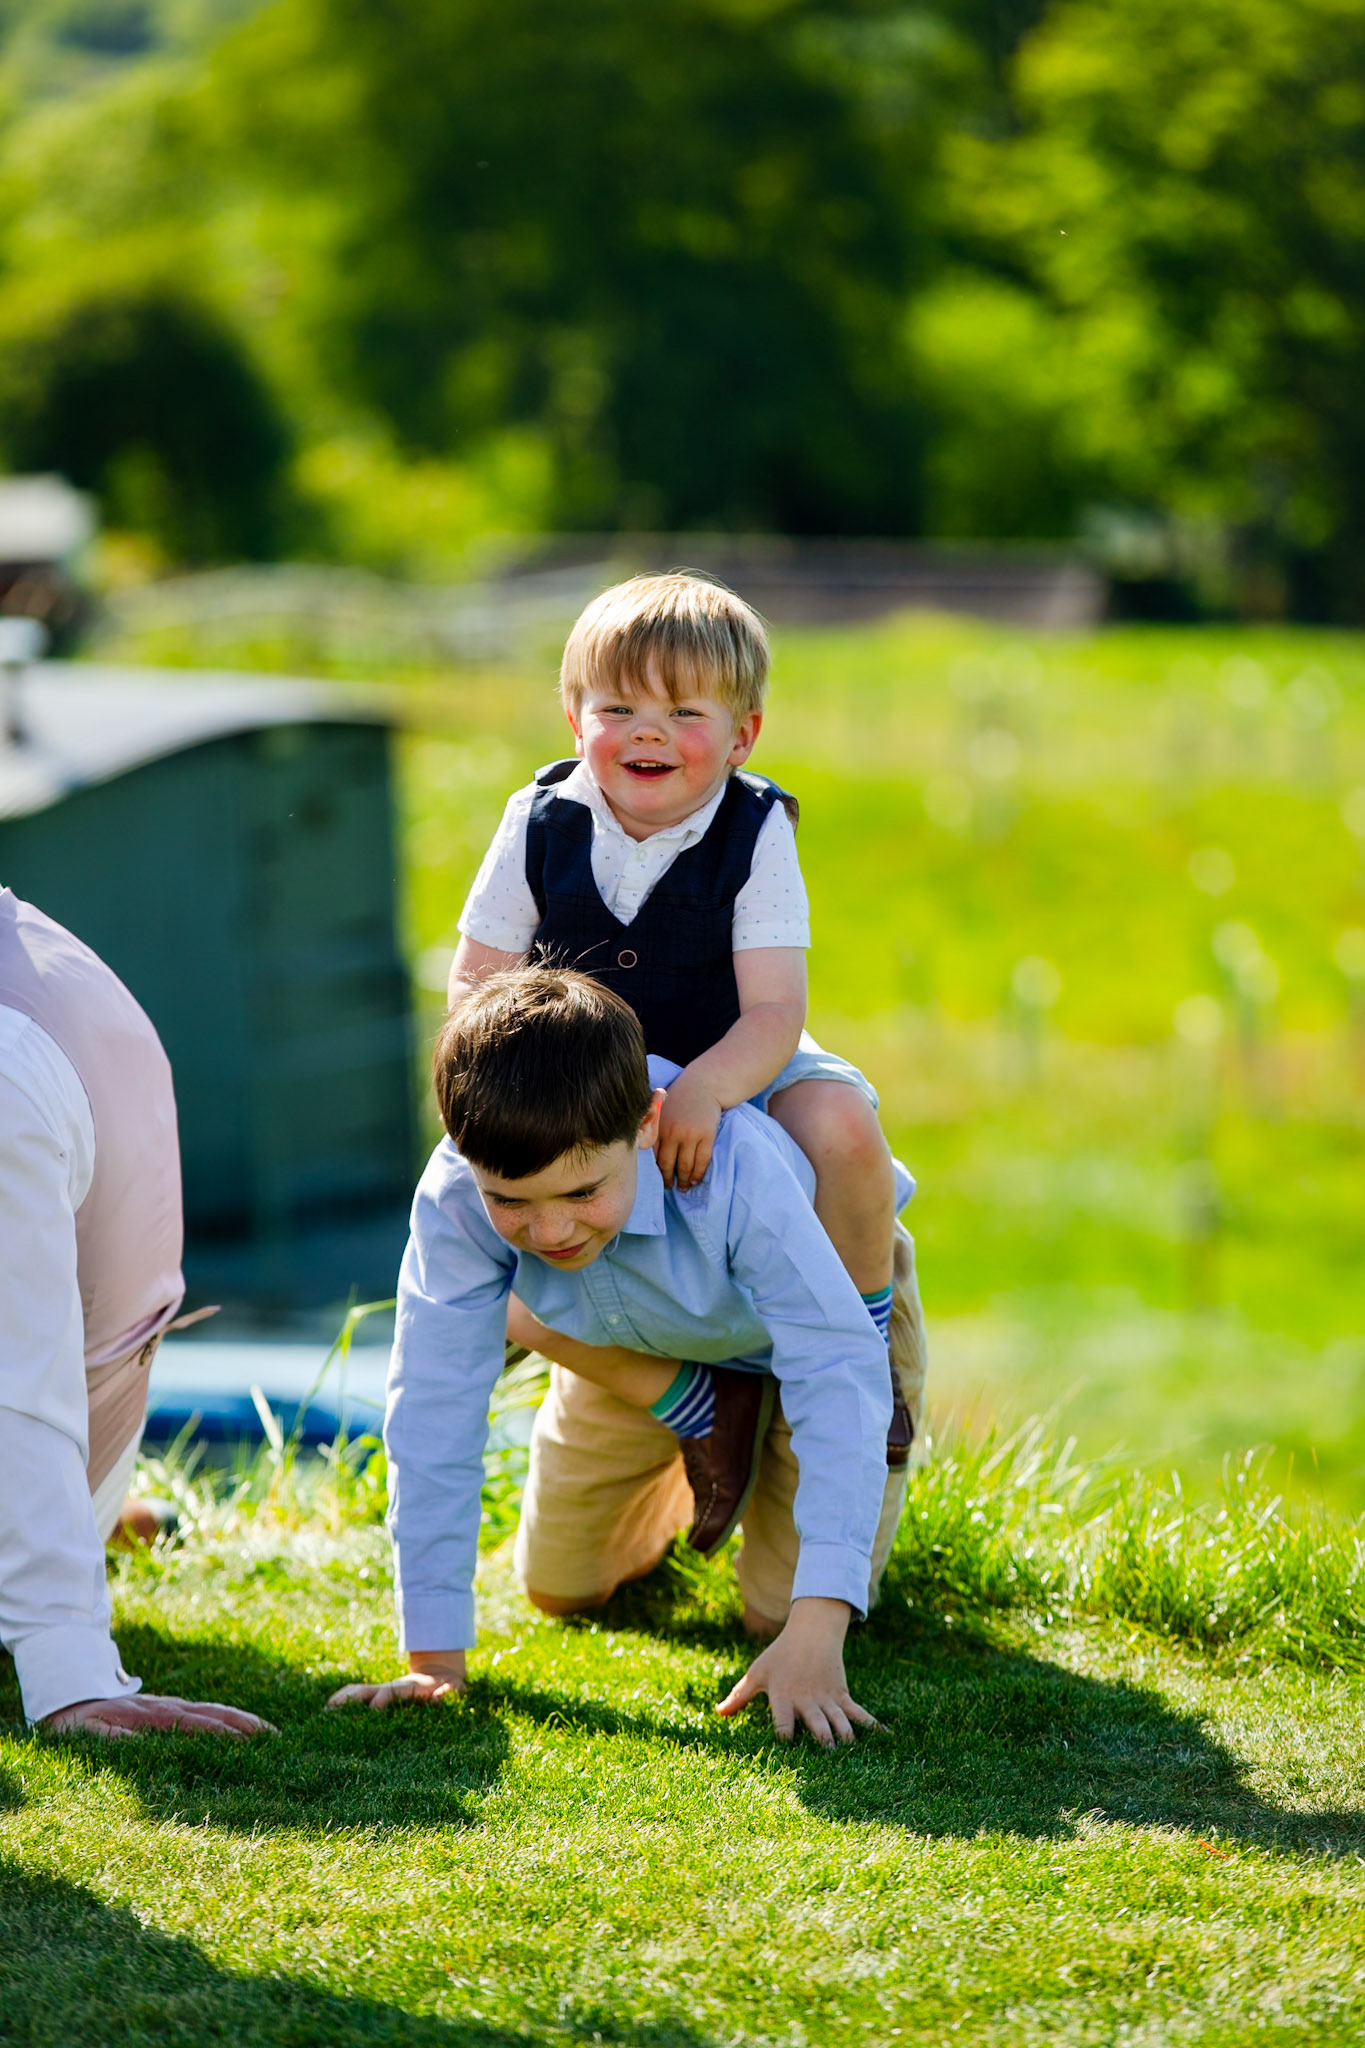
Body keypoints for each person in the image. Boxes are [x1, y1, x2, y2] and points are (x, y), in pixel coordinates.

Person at [329, 968, 925, 1745]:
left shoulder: (736, 1171)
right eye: (511, 1201)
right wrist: (435, 1660)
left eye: (581, 1194)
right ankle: (703, 1415)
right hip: (631, 1341)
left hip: (810, 1339)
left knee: (777, 1616)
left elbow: (836, 1368)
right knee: (558, 1587)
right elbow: (432, 1402)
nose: (549, 1234)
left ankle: (757, 1466)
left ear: (646, 1124)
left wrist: (818, 1626)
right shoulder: (454, 1192)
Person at [447, 571, 912, 1516]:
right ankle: (691, 1399)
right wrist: (494, 1094)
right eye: (616, 706)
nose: (647, 731)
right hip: (579, 1085)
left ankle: (864, 1360)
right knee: (477, 1242)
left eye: (684, 711)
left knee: (843, 1127)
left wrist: (703, 1092)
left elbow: (775, 1011)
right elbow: (476, 981)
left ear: (742, 736)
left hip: (731, 1054)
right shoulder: (536, 820)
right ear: (574, 718)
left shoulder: (753, 829)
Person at [0, 888, 273, 1740]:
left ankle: (88, 1526)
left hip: (51, 1457)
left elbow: (17, 1385)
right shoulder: (44, 950)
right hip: (84, 1453)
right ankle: (102, 1515)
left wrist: (66, 1667)